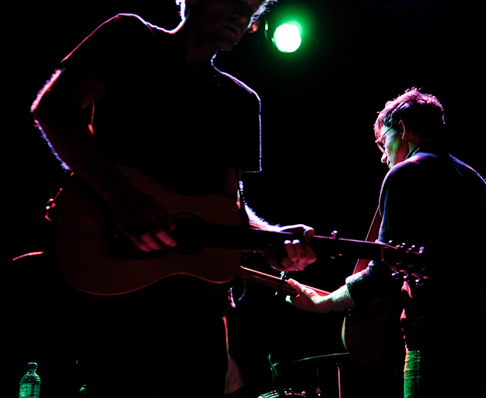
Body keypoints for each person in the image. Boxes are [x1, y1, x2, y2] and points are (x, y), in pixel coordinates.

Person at [26, 0, 316, 397]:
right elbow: (54, 108)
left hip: (196, 309)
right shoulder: (129, 37)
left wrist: (269, 238)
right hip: (112, 277)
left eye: (250, 8)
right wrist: (121, 197)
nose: (240, 14)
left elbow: (227, 207)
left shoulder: (240, 101)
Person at [287, 88, 486, 397]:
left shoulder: (405, 174)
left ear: (402, 128)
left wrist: (323, 304)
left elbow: (383, 272)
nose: (383, 155)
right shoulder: (474, 179)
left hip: (434, 345)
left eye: (383, 140)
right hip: (483, 347)